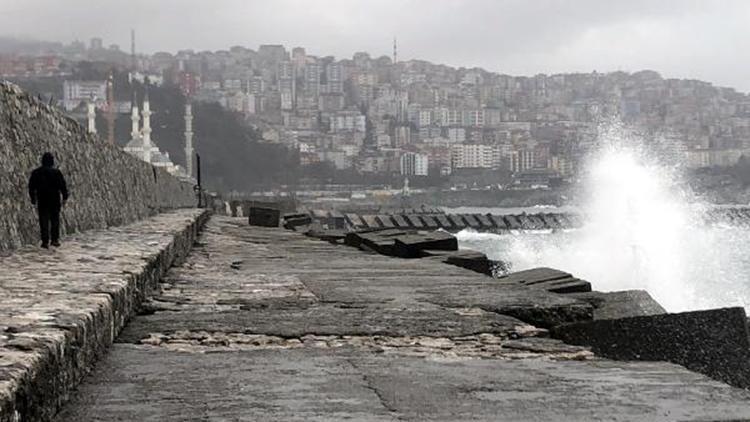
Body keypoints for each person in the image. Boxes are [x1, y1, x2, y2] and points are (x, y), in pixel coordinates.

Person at [28, 152, 69, 248]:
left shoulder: (36, 173)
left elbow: (31, 187)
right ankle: (54, 240)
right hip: (54, 200)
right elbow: (62, 186)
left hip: (42, 199)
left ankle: (45, 241)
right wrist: (65, 197)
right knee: (55, 220)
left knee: (43, 220)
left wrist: (33, 199)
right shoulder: (57, 173)